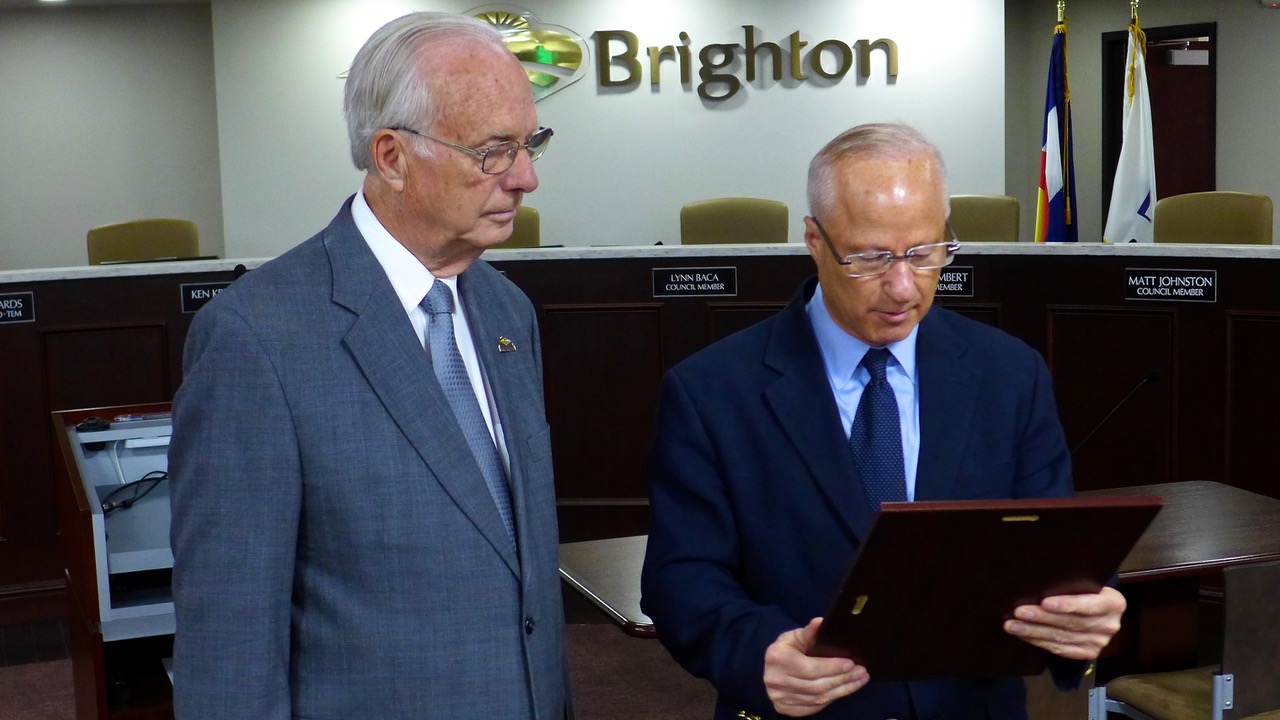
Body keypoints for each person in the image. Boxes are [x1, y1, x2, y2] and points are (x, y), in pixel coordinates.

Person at [640, 123, 1125, 720]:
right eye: (870, 258)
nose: (902, 287)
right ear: (815, 241)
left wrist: (1086, 612)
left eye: (925, 254)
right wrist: (759, 652)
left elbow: (1053, 553)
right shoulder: (712, 391)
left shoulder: (1010, 375)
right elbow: (680, 576)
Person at [168, 12, 569, 719]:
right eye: (495, 151)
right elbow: (229, 639)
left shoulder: (509, 312)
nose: (527, 177)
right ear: (392, 156)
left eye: (531, 142)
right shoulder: (254, 338)